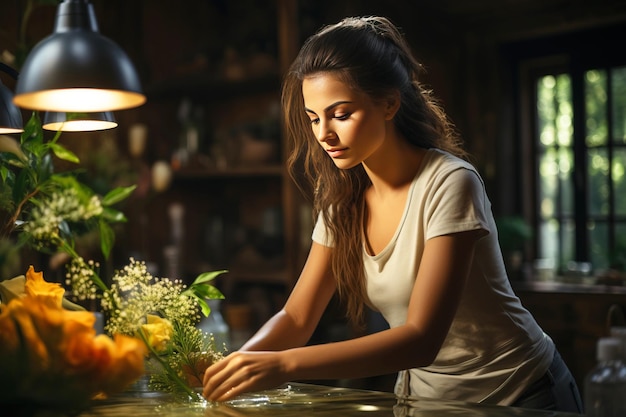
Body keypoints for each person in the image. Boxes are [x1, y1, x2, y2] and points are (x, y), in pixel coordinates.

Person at [202, 16, 583, 413]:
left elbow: (421, 338)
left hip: (520, 394)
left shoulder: (449, 183)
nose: (323, 134)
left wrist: (283, 364)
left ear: (388, 103)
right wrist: (234, 368)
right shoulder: (339, 197)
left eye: (341, 114)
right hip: (427, 403)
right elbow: (297, 316)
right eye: (314, 118)